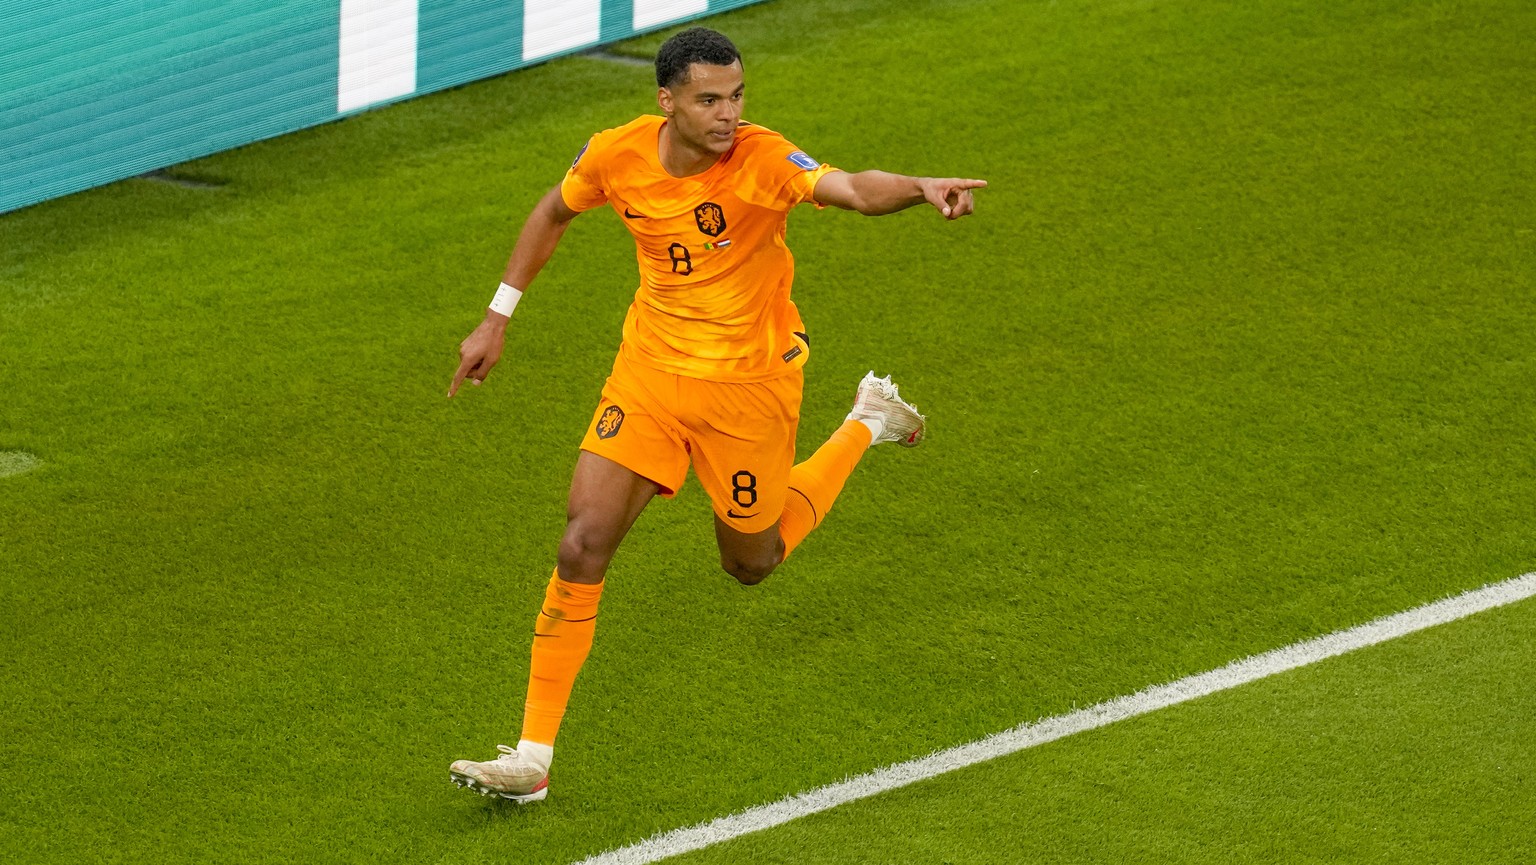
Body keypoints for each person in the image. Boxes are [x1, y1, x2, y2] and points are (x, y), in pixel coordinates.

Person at [446, 27, 985, 802]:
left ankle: (868, 418)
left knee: (751, 563)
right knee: (581, 542)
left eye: (736, 97)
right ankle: (533, 757)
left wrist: (920, 187)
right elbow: (552, 211)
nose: (728, 114)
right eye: (709, 100)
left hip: (749, 388)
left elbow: (854, 188)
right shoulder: (616, 153)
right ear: (666, 101)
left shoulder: (764, 159)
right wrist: (498, 316)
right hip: (651, 375)